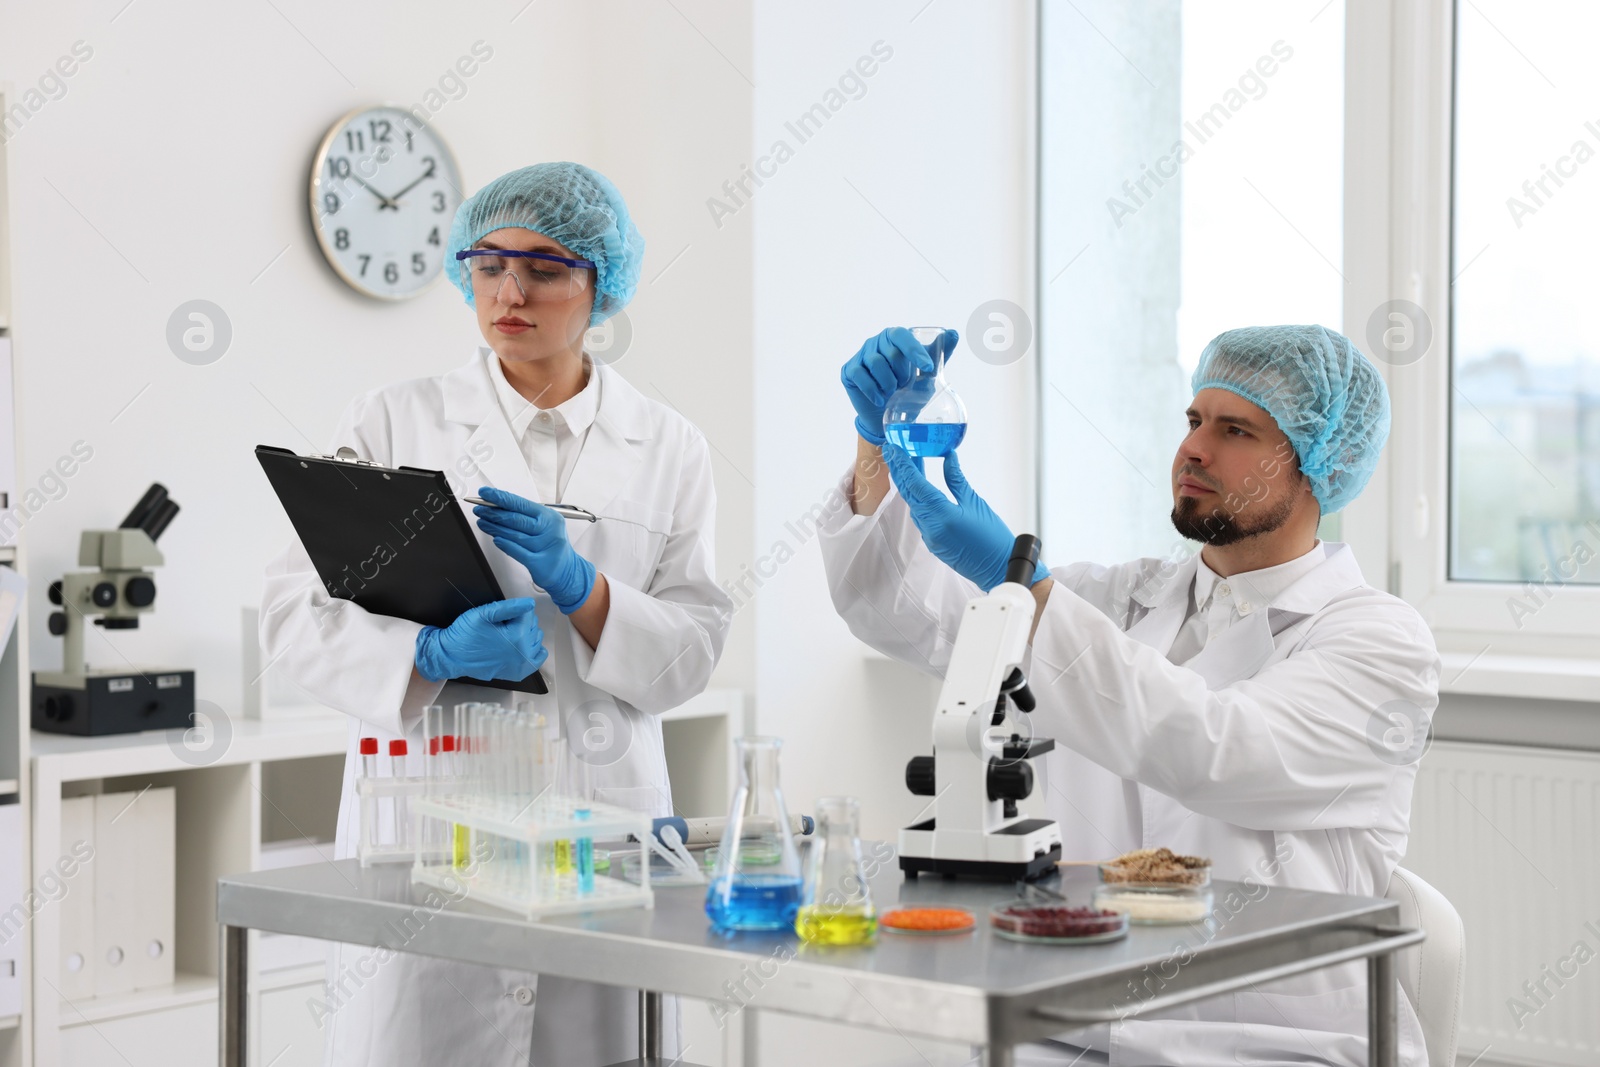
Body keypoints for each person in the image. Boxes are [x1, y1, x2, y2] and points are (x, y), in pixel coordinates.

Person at [822, 324, 1435, 1067]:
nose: (1195, 449)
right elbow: (905, 612)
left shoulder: (1380, 641)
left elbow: (1218, 750)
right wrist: (876, 449)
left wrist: (1030, 591)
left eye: (1234, 428)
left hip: (1276, 1042)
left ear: (1315, 463)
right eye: (1193, 420)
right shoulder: (1120, 596)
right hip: (1081, 1025)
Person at [260, 162, 731, 1067]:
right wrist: (428, 653)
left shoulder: (668, 446)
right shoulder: (393, 421)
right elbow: (290, 613)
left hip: (604, 834)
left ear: (601, 285)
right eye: (488, 264)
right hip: (432, 829)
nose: (510, 291)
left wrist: (583, 588)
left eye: (546, 268)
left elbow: (694, 649)